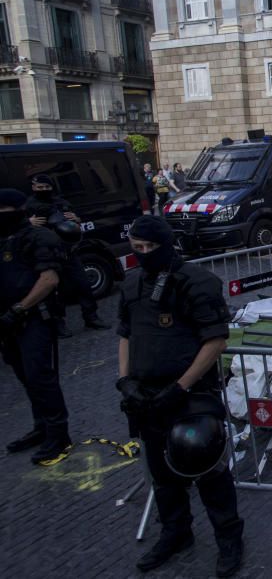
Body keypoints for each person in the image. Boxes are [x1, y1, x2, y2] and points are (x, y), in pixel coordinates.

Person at [115, 216, 243, 576]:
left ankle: (229, 538)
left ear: (166, 245)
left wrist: (181, 386)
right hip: (146, 394)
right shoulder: (131, 285)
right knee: (163, 475)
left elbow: (215, 340)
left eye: (149, 248)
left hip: (189, 394)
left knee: (208, 469)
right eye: (136, 249)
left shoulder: (198, 283)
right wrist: (124, 380)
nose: (142, 255)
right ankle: (176, 533)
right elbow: (126, 334)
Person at [0, 188, 72, 466]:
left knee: (40, 376)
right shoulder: (5, 239)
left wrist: (19, 310)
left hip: (33, 318)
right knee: (24, 376)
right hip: (8, 321)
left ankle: (58, 433)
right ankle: (41, 426)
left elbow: (49, 279)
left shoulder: (39, 237)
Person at [26, 174, 111, 337]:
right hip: (46, 255)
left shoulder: (60, 202)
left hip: (68, 252)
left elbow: (76, 222)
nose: (43, 190)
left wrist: (76, 218)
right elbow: (16, 230)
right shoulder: (28, 206)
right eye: (40, 187)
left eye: (46, 187)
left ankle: (91, 317)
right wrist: (28, 222)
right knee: (54, 293)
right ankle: (58, 323)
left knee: (84, 285)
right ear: (33, 188)